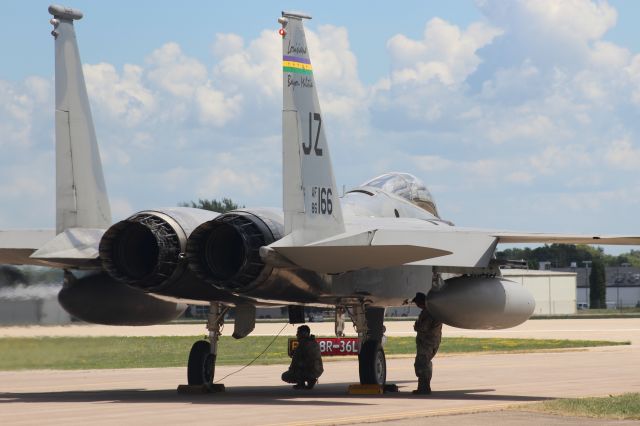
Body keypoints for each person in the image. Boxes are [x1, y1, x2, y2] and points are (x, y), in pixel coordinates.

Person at [412, 291, 442, 394]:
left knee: (422, 364)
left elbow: (423, 327)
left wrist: (416, 326)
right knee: (422, 363)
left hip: (428, 342)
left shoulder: (429, 312)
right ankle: (423, 387)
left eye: (417, 303)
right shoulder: (428, 310)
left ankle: (424, 388)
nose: (417, 305)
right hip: (427, 342)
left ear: (421, 302)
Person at [281, 325, 324, 389]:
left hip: (309, 370)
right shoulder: (313, 342)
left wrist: (292, 369)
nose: (297, 334)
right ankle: (310, 380)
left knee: (285, 376)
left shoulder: (303, 344)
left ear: (303, 334)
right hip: (318, 370)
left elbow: (296, 361)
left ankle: (302, 382)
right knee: (301, 366)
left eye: (299, 332)